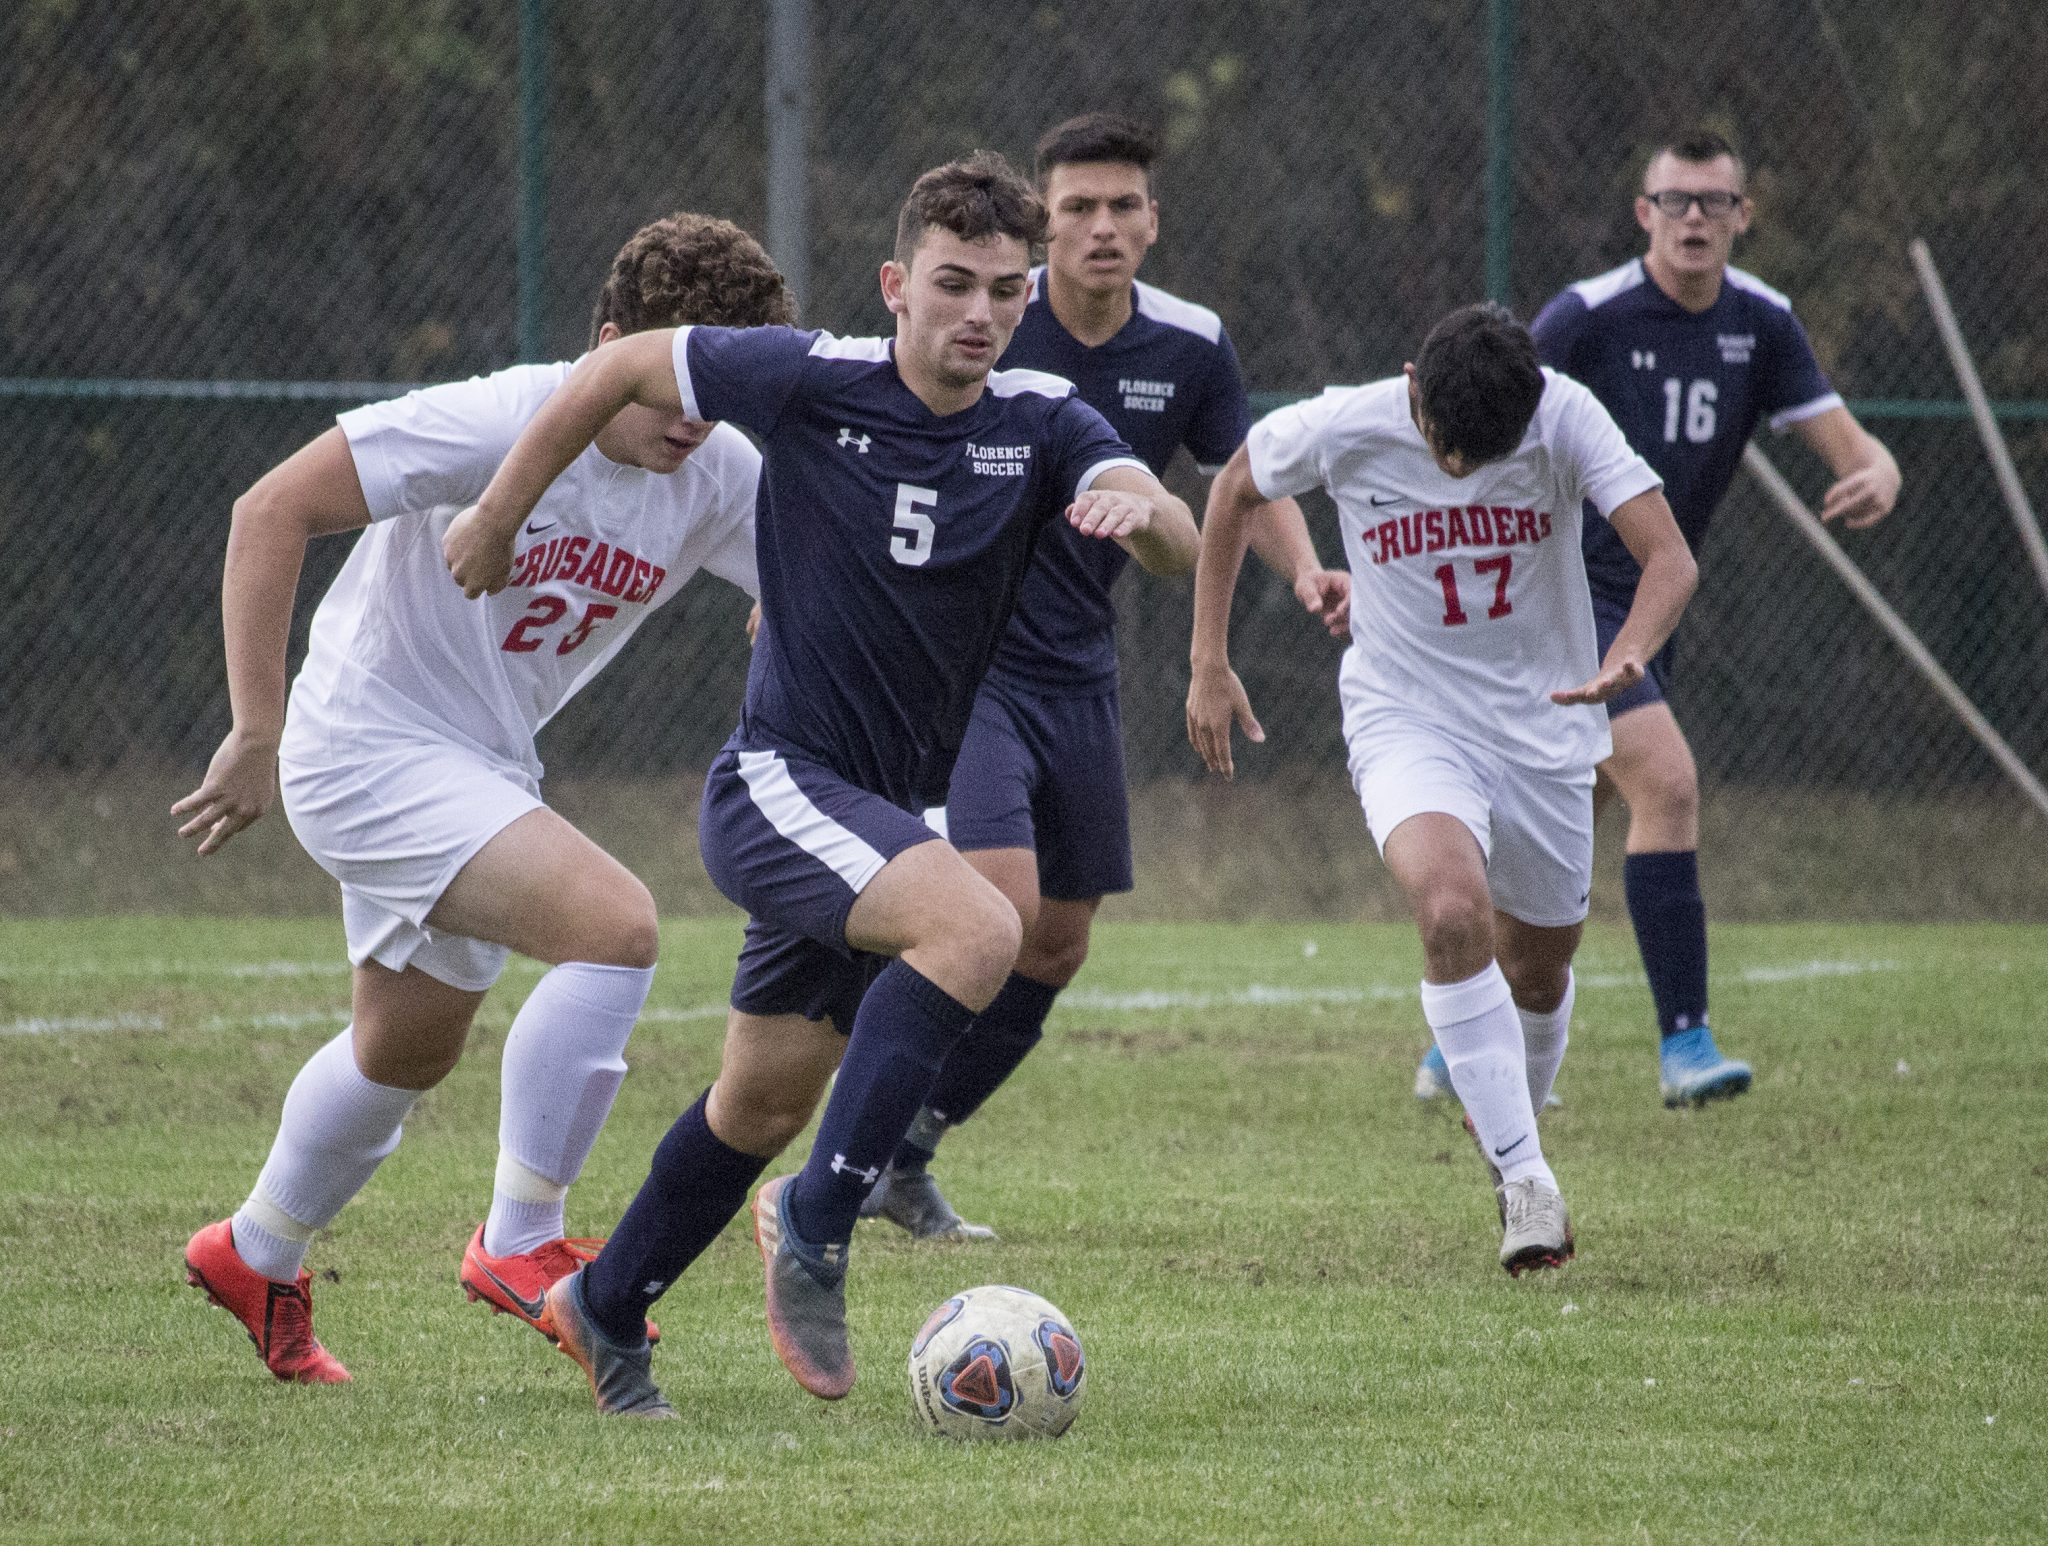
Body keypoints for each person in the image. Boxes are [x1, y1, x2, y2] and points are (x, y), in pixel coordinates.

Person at [444, 151, 1196, 1415]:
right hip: (777, 785)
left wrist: (1142, 515)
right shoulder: (811, 377)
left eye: (1006, 291)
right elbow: (621, 366)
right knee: (979, 925)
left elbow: (1159, 517)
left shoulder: (1039, 419)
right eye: (954, 284)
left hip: (872, 818)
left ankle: (606, 1301)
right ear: (897, 283)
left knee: (760, 1097)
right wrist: (499, 515)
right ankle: (818, 1219)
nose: (981, 314)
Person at [175, 213, 795, 1383]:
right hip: (361, 743)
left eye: (715, 383)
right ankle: (521, 1239)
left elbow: (819, 582)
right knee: (614, 927)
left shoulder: (714, 468)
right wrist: (257, 728)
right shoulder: (504, 417)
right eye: (665, 376)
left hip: (478, 763)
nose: (691, 410)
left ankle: (256, 1249)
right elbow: (271, 508)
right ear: (607, 343)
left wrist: (802, 606)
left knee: (401, 1049)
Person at [860, 112, 1349, 1242]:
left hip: (1076, 669)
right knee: (996, 906)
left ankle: (906, 1151)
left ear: (1153, 222)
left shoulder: (1186, 344)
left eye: (1122, 206)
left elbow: (1242, 478)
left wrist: (1306, 571)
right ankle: (846, 1139)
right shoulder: (982, 325)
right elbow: (869, 444)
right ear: (1039, 225)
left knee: (1058, 941)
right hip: (961, 666)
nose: (1100, 227)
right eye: (1075, 207)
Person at [1188, 303, 1698, 1273]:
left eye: (1484, 455)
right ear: (1410, 387)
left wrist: (1628, 651)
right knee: (1448, 907)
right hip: (1405, 717)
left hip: (1546, 728)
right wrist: (1206, 656)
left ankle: (1509, 1113)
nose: (1458, 469)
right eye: (1443, 448)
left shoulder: (1564, 414)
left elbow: (1666, 556)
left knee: (1537, 969)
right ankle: (1524, 1179)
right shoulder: (1348, 421)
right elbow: (1234, 488)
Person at [1414, 130, 1901, 1109]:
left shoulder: (1760, 322)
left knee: (1560, 830)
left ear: (1740, 217)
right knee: (1666, 783)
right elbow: (1468, 415)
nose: (1691, 219)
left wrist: (1875, 470)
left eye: (1711, 204)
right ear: (1641, 214)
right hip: (1555, 598)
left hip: (1649, 594)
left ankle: (1463, 1031)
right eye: (1673, 201)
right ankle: (1684, 1044)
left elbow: (1852, 447)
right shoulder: (1586, 317)